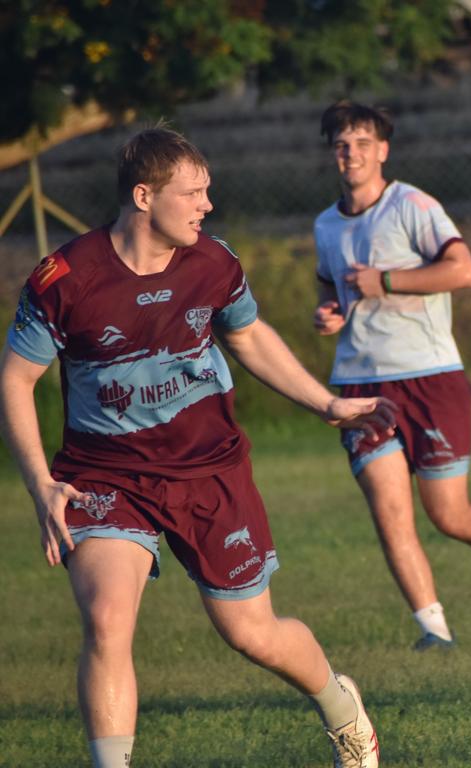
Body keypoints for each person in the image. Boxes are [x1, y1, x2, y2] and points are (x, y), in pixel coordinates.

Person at [0, 127, 395, 768]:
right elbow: (15, 379)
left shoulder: (213, 261)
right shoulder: (65, 278)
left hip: (209, 472)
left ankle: (341, 706)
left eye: (207, 191)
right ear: (143, 196)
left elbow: (249, 337)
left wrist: (326, 403)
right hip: (105, 476)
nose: (207, 205)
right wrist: (40, 483)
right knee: (106, 620)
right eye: (193, 193)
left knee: (251, 633)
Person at [311, 100, 471, 650]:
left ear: (382, 151)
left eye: (363, 143)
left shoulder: (411, 205)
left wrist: (386, 280)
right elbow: (331, 290)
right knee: (390, 513)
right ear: (331, 154)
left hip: (430, 377)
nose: (351, 153)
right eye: (342, 144)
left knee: (448, 514)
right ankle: (434, 629)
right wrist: (328, 313)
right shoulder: (325, 225)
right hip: (361, 385)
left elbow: (464, 270)